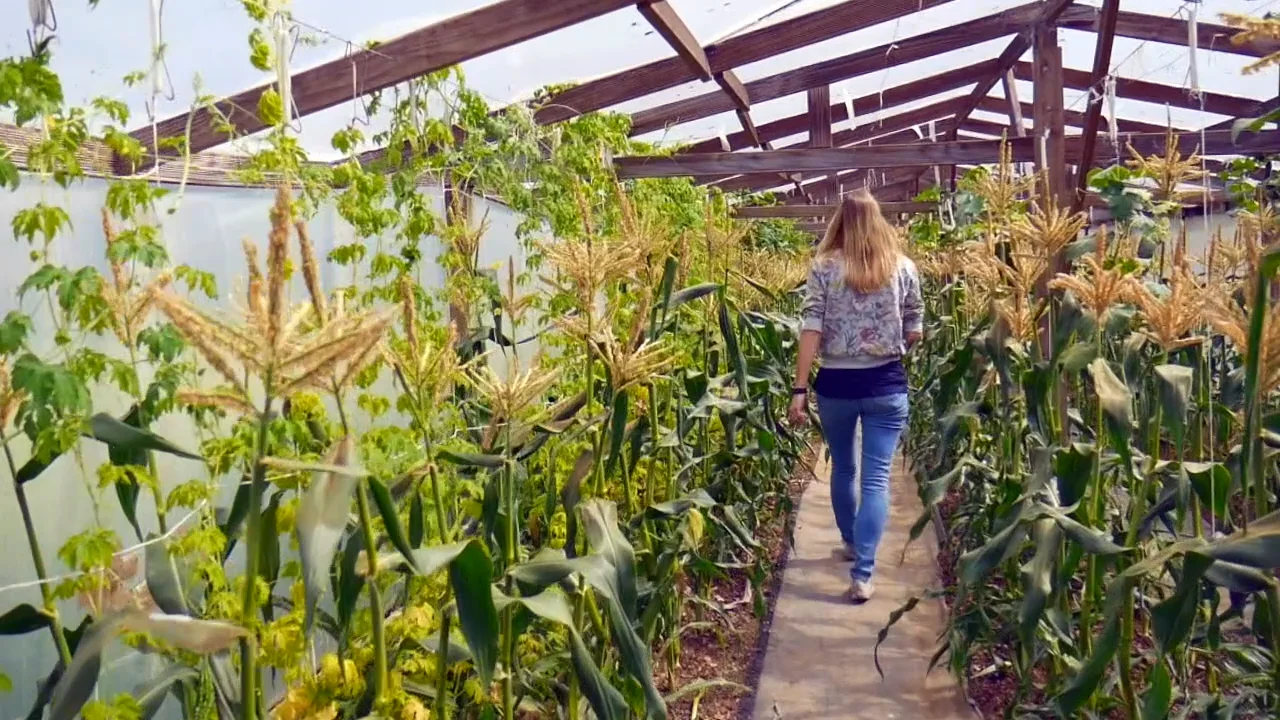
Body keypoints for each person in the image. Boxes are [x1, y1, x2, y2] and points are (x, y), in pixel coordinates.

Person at [787, 191, 923, 604]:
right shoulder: (902, 267)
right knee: (876, 479)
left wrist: (798, 388)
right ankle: (863, 573)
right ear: (878, 221)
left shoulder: (825, 268)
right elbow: (916, 322)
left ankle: (850, 540)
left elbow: (811, 327)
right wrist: (903, 339)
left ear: (839, 222)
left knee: (844, 469)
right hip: (886, 384)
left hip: (836, 385)